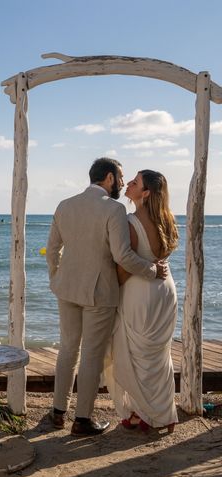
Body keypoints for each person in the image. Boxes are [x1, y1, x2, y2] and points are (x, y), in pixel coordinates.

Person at [46, 158, 167, 436]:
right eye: (122, 178)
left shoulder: (65, 205)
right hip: (99, 293)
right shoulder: (113, 210)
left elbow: (52, 250)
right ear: (110, 178)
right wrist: (152, 270)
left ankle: (57, 413)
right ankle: (82, 420)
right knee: (91, 354)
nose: (124, 183)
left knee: (67, 349)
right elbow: (122, 255)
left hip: (66, 289)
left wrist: (56, 280)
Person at [103, 170, 179, 433]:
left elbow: (126, 265)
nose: (130, 184)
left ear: (145, 193)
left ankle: (146, 414)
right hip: (165, 290)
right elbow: (162, 256)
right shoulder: (168, 220)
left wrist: (109, 285)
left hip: (140, 292)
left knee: (133, 353)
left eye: (136, 183)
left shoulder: (130, 222)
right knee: (157, 356)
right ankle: (160, 413)